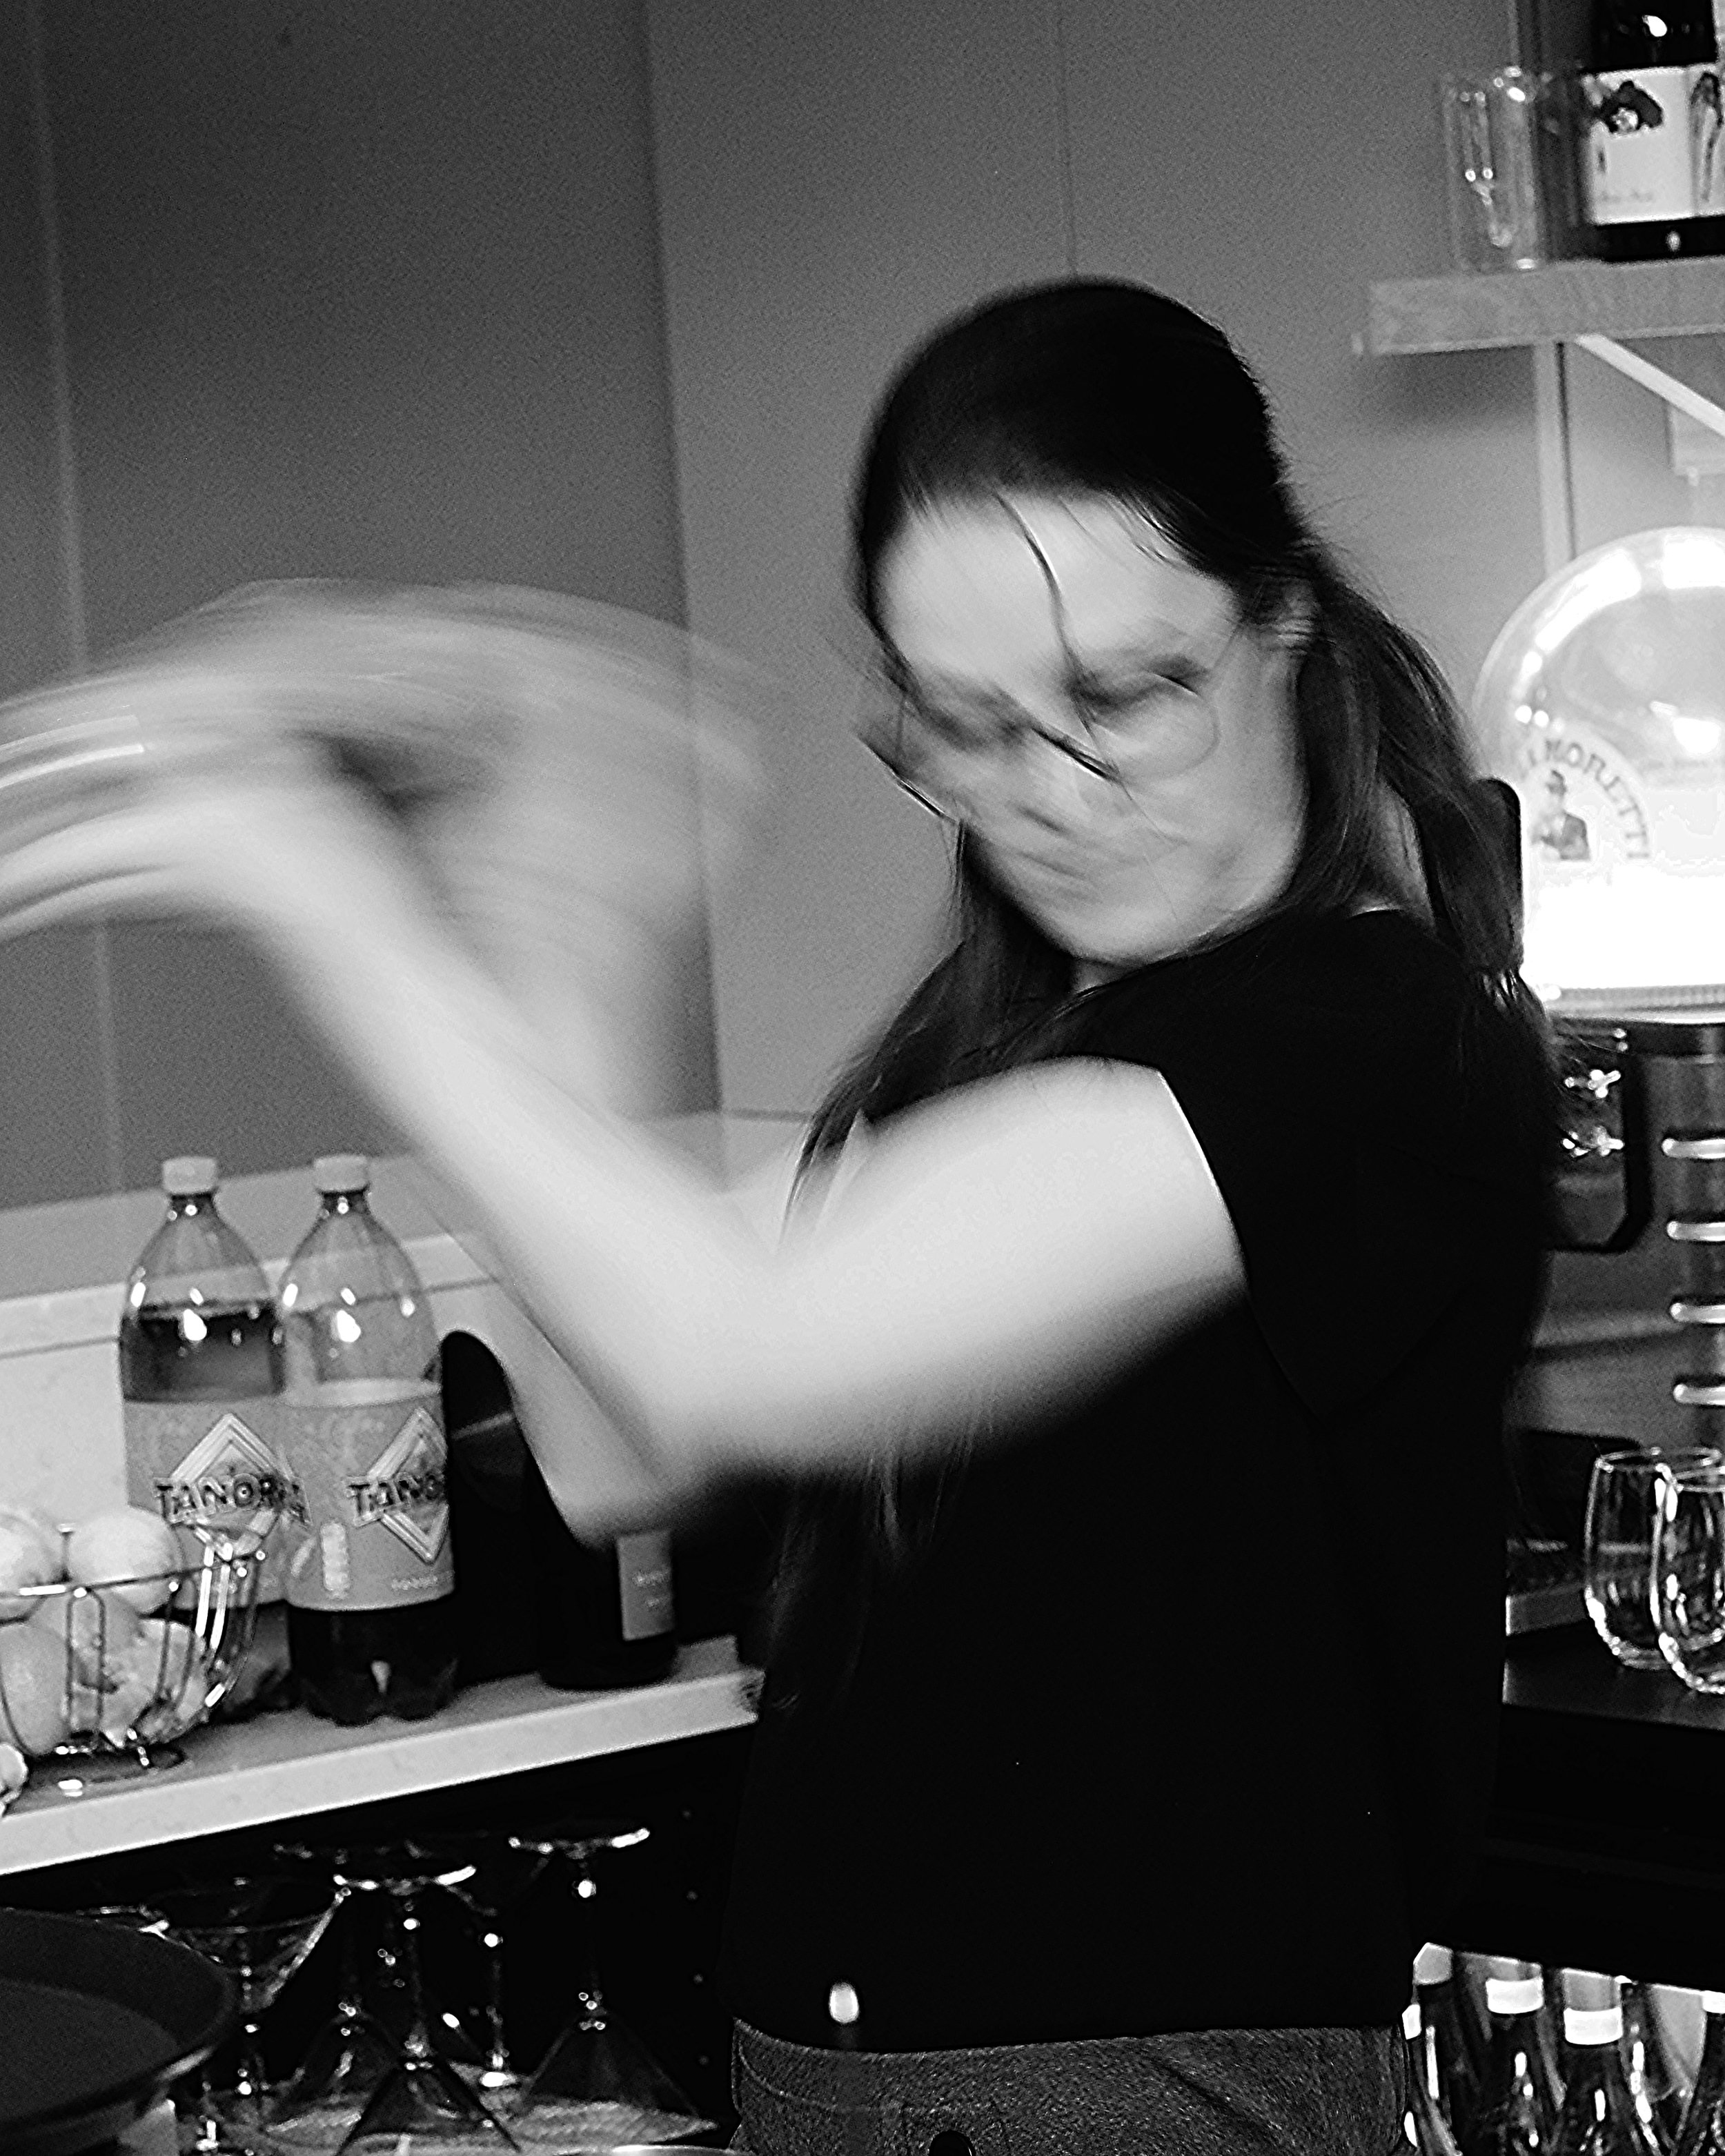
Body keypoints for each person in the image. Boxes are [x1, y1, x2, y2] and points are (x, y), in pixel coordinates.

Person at [0, 278, 1554, 2155]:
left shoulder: (1363, 1050)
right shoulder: (1008, 1048)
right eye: (964, 732)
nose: (1045, 795)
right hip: (852, 2094)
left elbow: (744, 1359)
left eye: (1124, 698)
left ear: (1282, 621)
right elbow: (626, 1443)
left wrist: (329, 897)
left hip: (1143, 2103)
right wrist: (560, 905)